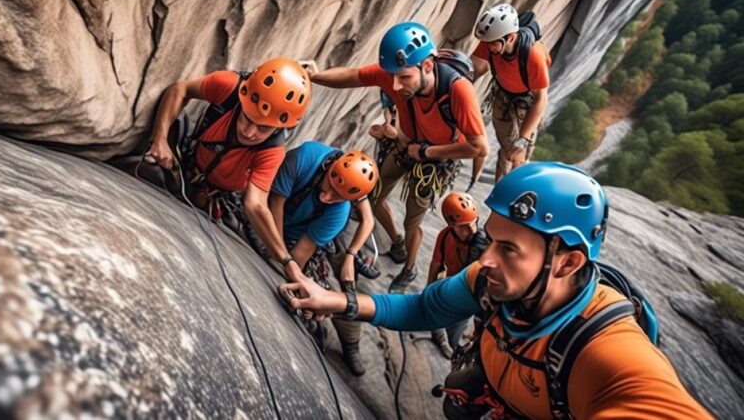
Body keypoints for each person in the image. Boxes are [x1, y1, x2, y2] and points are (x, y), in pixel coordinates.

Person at [280, 162, 712, 419]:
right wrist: (337, 300)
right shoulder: (489, 282)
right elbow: (424, 310)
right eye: (491, 240)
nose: (486, 260)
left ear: (567, 261)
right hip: (493, 391)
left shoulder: (606, 350)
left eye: (509, 249)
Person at [308, 22, 490, 293]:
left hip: (434, 161)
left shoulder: (457, 90)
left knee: (412, 220)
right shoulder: (396, 74)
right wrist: (316, 76)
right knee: (371, 195)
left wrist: (428, 152)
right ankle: (397, 242)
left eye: (403, 77)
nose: (394, 84)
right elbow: (353, 76)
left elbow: (480, 147)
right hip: (406, 146)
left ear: (427, 66)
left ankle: (409, 268)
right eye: (393, 76)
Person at [145, 57, 311, 282]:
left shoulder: (272, 151)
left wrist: (287, 262)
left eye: (263, 128)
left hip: (220, 191)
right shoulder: (228, 87)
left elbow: (256, 204)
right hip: (192, 161)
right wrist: (160, 139)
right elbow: (180, 90)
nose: (249, 131)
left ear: (282, 126)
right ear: (244, 99)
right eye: (247, 117)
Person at [270, 141, 378, 376]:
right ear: (331, 168)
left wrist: (295, 275)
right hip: (277, 221)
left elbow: (302, 252)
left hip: (308, 236)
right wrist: (275, 249)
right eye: (329, 185)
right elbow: (275, 204)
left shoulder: (340, 211)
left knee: (337, 293)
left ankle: (351, 343)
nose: (327, 196)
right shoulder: (306, 157)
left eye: (337, 196)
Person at [471, 4, 551, 182]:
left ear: (511, 37)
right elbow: (475, 67)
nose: (488, 46)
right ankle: (501, 188)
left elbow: (540, 99)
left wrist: (523, 138)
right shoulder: (492, 40)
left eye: (493, 43)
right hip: (503, 95)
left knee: (520, 152)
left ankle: (511, 189)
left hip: (528, 102)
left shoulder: (533, 55)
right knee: (510, 150)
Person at [427, 192, 488, 358]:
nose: (471, 229)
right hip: (452, 283)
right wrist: (429, 289)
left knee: (455, 331)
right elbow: (436, 263)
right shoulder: (445, 236)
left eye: (473, 223)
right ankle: (438, 334)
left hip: (468, 294)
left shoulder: (483, 244)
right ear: (451, 225)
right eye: (463, 226)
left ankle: (452, 346)